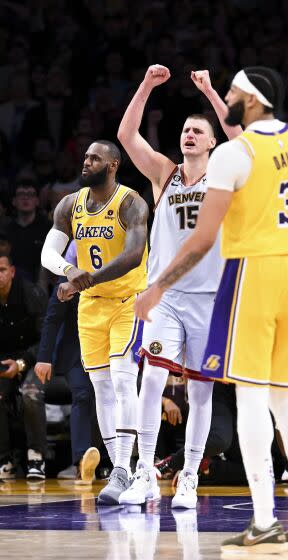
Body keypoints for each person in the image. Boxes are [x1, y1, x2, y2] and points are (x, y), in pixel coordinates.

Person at [135, 66, 288, 553]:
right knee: (285, 398)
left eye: (230, 91)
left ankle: (266, 520)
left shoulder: (234, 153)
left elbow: (205, 239)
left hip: (253, 274)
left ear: (251, 97)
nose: (224, 97)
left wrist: (158, 286)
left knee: (251, 400)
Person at [116, 65, 241, 509]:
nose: (189, 134)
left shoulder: (225, 176)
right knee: (151, 379)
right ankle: (145, 472)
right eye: (186, 130)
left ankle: (188, 476)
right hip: (164, 297)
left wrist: (209, 92)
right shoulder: (164, 176)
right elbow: (127, 135)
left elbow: (240, 133)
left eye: (198, 131)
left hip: (208, 297)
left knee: (202, 390)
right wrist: (146, 85)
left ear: (211, 142)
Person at [40, 139, 148, 503]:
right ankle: (119, 469)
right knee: (100, 386)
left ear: (113, 164)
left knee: (122, 380)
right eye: (84, 156)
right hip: (91, 307)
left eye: (94, 158)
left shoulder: (131, 202)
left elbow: (134, 255)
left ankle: (122, 469)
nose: (86, 162)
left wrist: (86, 279)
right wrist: (71, 271)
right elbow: (47, 253)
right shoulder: (70, 205)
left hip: (127, 303)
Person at [33, 241, 101, 484]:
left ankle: (120, 460)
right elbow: (52, 319)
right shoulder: (70, 280)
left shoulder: (115, 273)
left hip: (108, 348)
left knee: (113, 396)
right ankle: (82, 460)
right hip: (77, 353)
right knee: (82, 394)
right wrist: (43, 358)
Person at [0, 249, 47, 478]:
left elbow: (46, 340)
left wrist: (21, 363)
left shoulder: (32, 294)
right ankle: (5, 459)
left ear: (12, 271)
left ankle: (36, 458)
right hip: (4, 362)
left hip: (38, 359)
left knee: (30, 391)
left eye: (1, 270)